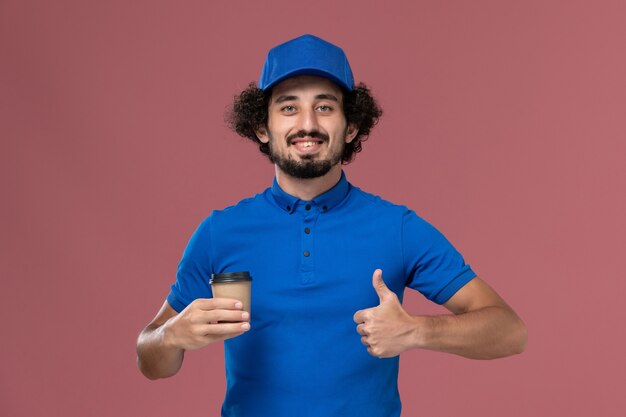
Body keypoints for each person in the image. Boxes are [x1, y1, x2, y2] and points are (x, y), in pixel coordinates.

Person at [136, 34, 527, 417]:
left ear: (351, 127)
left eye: (325, 107)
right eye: (288, 108)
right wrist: (171, 336)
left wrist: (418, 331)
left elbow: (510, 331)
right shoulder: (219, 232)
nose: (308, 124)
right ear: (262, 127)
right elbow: (152, 361)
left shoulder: (398, 228)